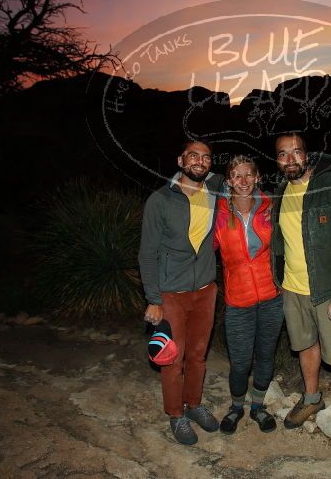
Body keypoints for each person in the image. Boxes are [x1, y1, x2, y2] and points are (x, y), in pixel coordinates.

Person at [270, 132, 331, 471]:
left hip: (328, 292)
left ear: (307, 155)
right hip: (293, 290)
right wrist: (279, 279)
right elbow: (281, 242)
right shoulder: (282, 192)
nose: (291, 159)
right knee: (305, 346)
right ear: (278, 161)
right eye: (283, 154)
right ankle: (312, 399)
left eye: (296, 152)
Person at [138, 140, 223, 446]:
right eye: (193, 155)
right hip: (171, 292)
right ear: (180, 159)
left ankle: (195, 404)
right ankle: (176, 414)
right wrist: (153, 299)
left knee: (198, 355)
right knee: (172, 358)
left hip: (205, 290)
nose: (200, 161)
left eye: (206, 157)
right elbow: (147, 254)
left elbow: (242, 179)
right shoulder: (160, 201)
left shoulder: (215, 192)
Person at [212, 155, 284, 435]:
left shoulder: (271, 207)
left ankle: (258, 407)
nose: (243, 181)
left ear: (257, 177)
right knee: (240, 362)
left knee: (266, 356)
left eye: (248, 175)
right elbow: (203, 250)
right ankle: (235, 407)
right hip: (237, 301)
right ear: (228, 180)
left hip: (271, 297)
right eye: (236, 176)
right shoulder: (218, 213)